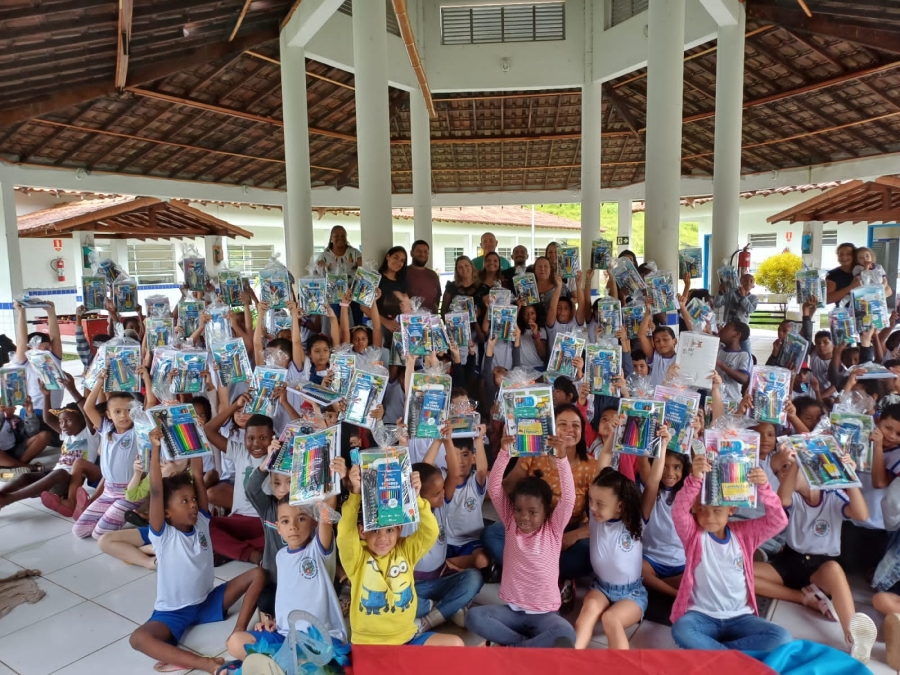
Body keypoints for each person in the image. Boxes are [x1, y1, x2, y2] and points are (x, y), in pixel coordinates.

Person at [129, 428, 264, 674]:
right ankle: (205, 664)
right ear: (166, 512)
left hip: (208, 600)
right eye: (184, 501)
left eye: (192, 500)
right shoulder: (163, 534)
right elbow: (157, 491)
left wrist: (195, 438)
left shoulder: (201, 521)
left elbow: (199, 476)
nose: (192, 505)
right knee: (138, 639)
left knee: (259, 574)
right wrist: (156, 447)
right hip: (173, 612)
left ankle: (238, 633)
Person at [755, 444, 876, 663]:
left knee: (835, 570)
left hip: (820, 569)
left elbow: (862, 513)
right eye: (780, 471)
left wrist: (849, 478)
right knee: (742, 572)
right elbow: (782, 498)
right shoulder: (791, 499)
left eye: (787, 467)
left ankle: (854, 638)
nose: (784, 473)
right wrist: (795, 465)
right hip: (789, 561)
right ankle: (803, 598)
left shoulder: (832, 496)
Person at [226, 461, 349, 660]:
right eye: (285, 521)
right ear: (278, 527)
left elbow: (327, 515)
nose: (293, 526)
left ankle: (280, 663)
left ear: (313, 521)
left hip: (319, 638)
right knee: (235, 642)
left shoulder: (318, 550)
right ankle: (284, 662)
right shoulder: (281, 557)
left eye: (301, 519)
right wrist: (276, 621)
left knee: (317, 657)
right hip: (285, 634)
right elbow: (286, 597)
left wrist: (331, 478)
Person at [669, 451, 792, 651]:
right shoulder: (693, 534)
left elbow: (779, 520)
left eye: (717, 510)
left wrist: (764, 486)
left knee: (782, 637)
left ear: (732, 509)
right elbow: (679, 510)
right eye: (702, 509)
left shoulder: (744, 534)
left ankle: (717, 655)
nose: (709, 517)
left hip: (740, 617)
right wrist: (694, 479)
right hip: (702, 616)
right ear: (695, 509)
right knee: (682, 629)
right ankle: (731, 657)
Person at [465, 439, 577, 648]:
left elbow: (569, 500)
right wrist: (504, 452)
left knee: (566, 634)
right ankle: (523, 646)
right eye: (519, 510)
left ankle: (515, 649)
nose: (524, 517)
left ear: (546, 513)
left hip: (545, 615)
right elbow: (496, 487)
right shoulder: (510, 522)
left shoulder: (553, 528)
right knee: (474, 617)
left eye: (533, 512)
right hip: (512, 613)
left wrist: (561, 458)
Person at [336, 463, 464, 646]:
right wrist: (355, 493)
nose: (382, 538)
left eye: (389, 530)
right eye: (375, 531)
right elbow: (345, 533)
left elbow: (431, 531)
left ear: (399, 529)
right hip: (369, 645)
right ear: (362, 532)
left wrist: (417, 498)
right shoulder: (356, 558)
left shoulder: (405, 551)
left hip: (407, 638)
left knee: (456, 644)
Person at [573, 434, 669, 650]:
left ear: (620, 506)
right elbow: (604, 460)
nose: (593, 508)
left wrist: (662, 445)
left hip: (632, 594)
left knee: (611, 620)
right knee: (586, 613)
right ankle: (568, 662)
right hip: (601, 587)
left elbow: (653, 482)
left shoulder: (635, 521)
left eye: (599, 504)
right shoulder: (598, 519)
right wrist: (613, 435)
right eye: (591, 501)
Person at [73, 371, 154, 539]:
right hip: (108, 492)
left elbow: (151, 403)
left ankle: (145, 524)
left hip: (129, 494)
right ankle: (136, 514)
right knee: (79, 531)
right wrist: (99, 382)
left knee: (98, 534)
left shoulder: (138, 431)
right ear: (109, 415)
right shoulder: (106, 429)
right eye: (117, 411)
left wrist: (146, 378)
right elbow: (88, 407)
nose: (124, 415)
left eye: (128, 410)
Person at [10, 300, 63, 462]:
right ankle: (20, 464)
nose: (44, 352)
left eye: (47, 349)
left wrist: (51, 312)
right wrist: (21, 312)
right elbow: (21, 341)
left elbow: (55, 337)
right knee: (43, 437)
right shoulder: (24, 362)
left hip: (54, 415)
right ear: (30, 350)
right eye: (39, 349)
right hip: (34, 416)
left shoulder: (53, 361)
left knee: (73, 431)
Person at [377, 246, 409, 334]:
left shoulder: (402, 281)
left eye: (402, 261)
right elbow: (364, 307)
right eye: (396, 258)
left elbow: (405, 305)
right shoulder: (376, 278)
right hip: (377, 326)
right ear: (388, 256)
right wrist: (386, 322)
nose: (398, 263)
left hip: (398, 327)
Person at [406, 240, 442, 313]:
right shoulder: (403, 273)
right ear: (411, 253)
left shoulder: (433, 275)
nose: (422, 254)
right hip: (412, 321)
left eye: (425, 252)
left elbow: (437, 298)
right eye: (419, 251)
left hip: (432, 321)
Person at [826, 242, 860, 306]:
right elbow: (827, 299)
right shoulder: (832, 274)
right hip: (843, 313)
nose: (844, 257)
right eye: (841, 254)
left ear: (854, 256)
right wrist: (851, 287)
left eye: (849, 254)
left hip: (867, 311)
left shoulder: (863, 271)